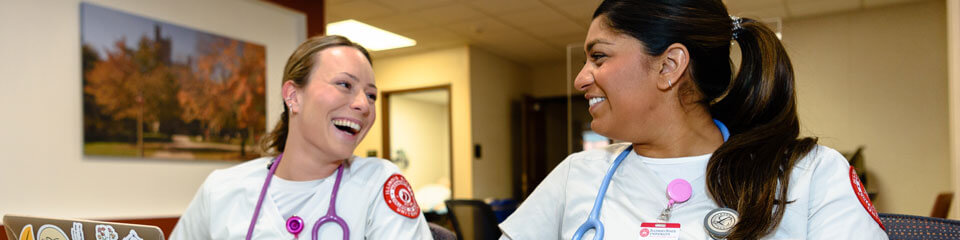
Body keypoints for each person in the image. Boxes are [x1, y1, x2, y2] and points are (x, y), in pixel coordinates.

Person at [498, 0, 888, 239]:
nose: (580, 78)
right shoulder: (576, 175)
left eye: (598, 57)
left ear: (669, 65)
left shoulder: (812, 175)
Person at [170, 35, 432, 239]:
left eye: (371, 95)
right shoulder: (221, 190)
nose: (364, 104)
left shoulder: (379, 184)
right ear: (293, 97)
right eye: (345, 85)